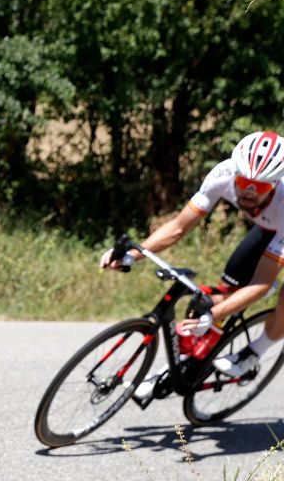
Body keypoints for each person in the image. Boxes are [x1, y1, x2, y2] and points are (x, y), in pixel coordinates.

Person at [100, 131, 284, 399]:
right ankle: (173, 371)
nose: (249, 191)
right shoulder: (224, 174)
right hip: (269, 226)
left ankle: (254, 351)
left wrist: (215, 314)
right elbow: (178, 227)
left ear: (275, 183)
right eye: (244, 181)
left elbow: (260, 281)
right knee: (217, 298)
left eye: (261, 186)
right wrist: (132, 255)